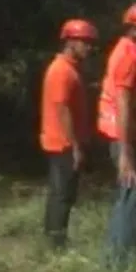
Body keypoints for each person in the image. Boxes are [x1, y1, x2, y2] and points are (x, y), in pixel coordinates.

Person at [97, 2, 136, 269]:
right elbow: (122, 103)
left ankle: (121, 256)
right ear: (132, 29)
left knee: (131, 196)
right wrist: (126, 153)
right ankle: (121, 260)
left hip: (130, 135)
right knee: (131, 196)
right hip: (123, 136)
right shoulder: (127, 55)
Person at [39, 19, 97, 250]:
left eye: (90, 43)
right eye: (85, 42)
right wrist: (75, 146)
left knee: (64, 192)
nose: (89, 47)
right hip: (62, 142)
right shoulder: (61, 70)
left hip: (65, 141)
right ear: (70, 42)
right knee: (61, 194)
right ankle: (55, 241)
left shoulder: (70, 69)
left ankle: (55, 237)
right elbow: (62, 109)